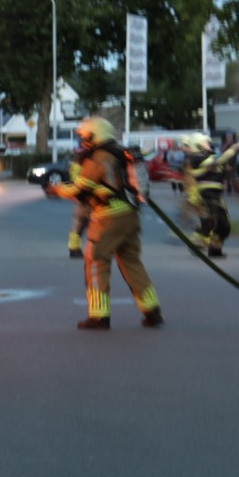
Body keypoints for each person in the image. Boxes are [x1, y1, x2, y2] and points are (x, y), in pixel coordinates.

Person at [53, 115, 163, 330]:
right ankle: (152, 310)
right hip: (130, 216)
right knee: (132, 263)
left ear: (95, 135)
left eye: (86, 137)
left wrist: (56, 189)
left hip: (108, 217)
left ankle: (99, 316)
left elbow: (80, 189)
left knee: (96, 262)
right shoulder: (121, 153)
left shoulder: (99, 157)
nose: (83, 142)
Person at [182, 132, 239, 257]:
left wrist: (228, 169)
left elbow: (222, 166)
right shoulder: (195, 158)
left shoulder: (212, 156)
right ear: (198, 145)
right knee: (209, 221)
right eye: (205, 142)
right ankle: (196, 244)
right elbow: (216, 162)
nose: (209, 144)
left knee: (224, 225)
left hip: (217, 195)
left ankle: (215, 249)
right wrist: (233, 149)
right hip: (205, 195)